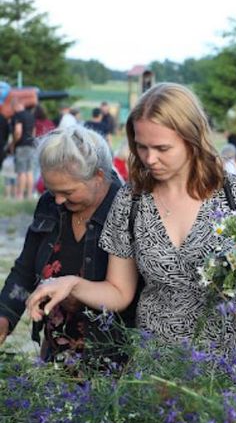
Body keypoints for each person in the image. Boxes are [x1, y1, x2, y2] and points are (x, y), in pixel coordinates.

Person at [27, 83, 236, 353]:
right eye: (141, 147)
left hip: (233, 359)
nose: (150, 159)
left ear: (192, 138)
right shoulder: (131, 200)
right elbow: (119, 292)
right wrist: (72, 284)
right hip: (158, 364)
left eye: (162, 148)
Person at [0, 126, 136, 363]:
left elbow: (126, 294)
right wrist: (5, 316)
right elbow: (25, 270)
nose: (58, 199)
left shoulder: (126, 209)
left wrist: (77, 291)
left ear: (99, 176)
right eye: (51, 190)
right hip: (57, 354)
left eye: (68, 191)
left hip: (113, 357)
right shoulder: (50, 204)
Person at [11, 101, 36, 200]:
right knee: (29, 171)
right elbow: (33, 132)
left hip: (21, 146)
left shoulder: (17, 115)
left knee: (21, 171)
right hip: (30, 145)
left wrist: (13, 143)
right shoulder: (31, 115)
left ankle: (20, 195)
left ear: (15, 106)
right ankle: (29, 195)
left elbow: (18, 131)